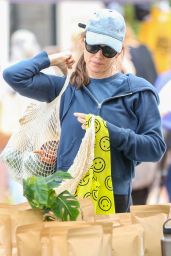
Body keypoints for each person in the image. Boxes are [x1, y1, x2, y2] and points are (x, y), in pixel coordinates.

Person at [2, 9, 166, 213]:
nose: (98, 55)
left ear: (120, 51)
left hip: (114, 199)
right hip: (66, 195)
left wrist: (109, 132)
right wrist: (52, 59)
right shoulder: (65, 87)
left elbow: (155, 148)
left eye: (108, 50)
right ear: (83, 42)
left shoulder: (138, 91)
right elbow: (13, 76)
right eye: (93, 46)